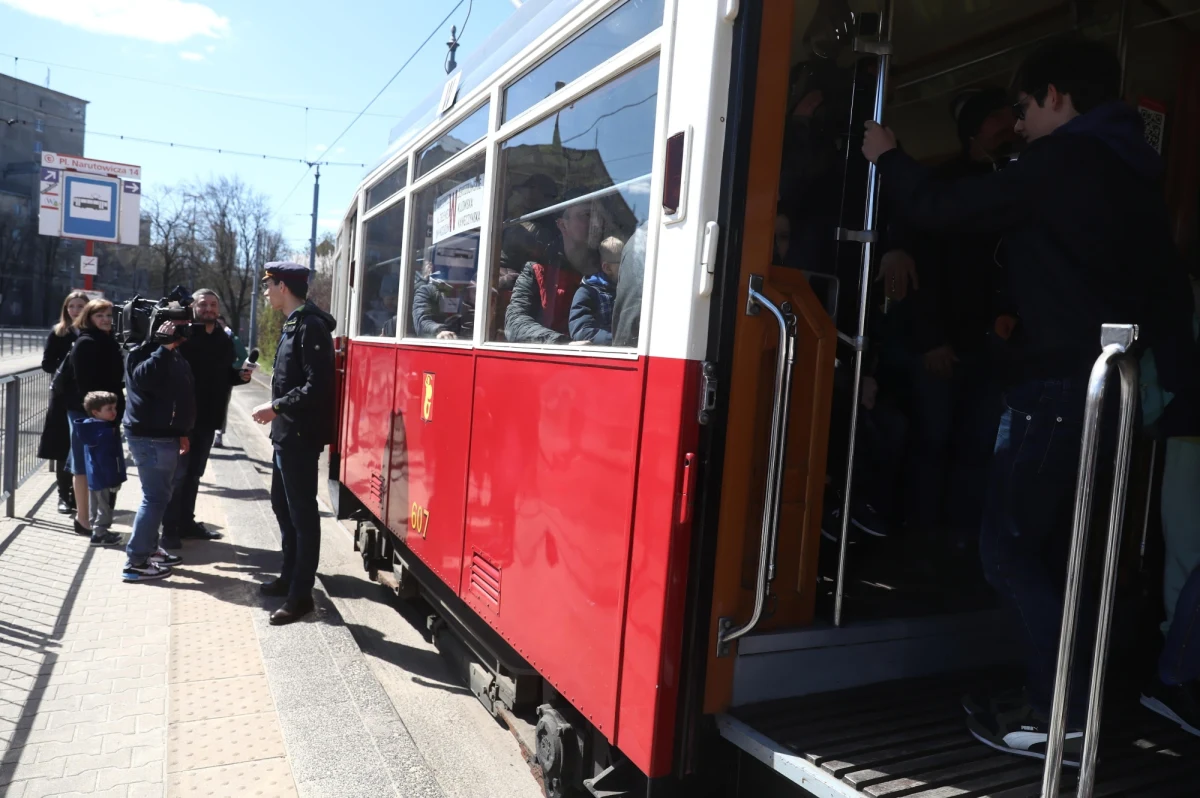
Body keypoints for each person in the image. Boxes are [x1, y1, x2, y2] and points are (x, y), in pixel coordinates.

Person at [863, 36, 1200, 763]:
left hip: (1055, 391)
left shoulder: (1065, 161)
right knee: (1060, 556)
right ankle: (1062, 703)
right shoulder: (1134, 169)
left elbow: (948, 207)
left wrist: (888, 155)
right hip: (1111, 390)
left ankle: (1061, 716)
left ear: (1055, 97)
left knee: (1009, 552)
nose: (1017, 124)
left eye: (1022, 107)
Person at [251, 262, 336, 625]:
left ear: (283, 286)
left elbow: (319, 387)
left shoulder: (310, 326)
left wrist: (276, 406)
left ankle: (301, 597)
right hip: (286, 435)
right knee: (283, 509)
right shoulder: (293, 324)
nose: (265, 291)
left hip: (299, 437)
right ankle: (289, 577)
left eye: (268, 285)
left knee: (302, 517)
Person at [160, 290, 252, 548]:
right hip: (182, 421)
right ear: (194, 307)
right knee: (177, 476)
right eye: (204, 304)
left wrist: (239, 377)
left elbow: (222, 376)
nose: (209, 309)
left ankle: (186, 523)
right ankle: (169, 530)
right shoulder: (183, 337)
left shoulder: (223, 339)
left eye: (213, 304)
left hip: (209, 419)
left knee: (194, 475)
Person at [122, 320, 193, 583]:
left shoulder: (170, 352)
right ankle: (136, 562)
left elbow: (177, 394)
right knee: (154, 498)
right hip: (151, 437)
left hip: (164, 435)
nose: (182, 329)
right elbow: (143, 379)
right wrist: (163, 348)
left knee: (158, 496)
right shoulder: (142, 350)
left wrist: (181, 430)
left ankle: (149, 550)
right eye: (174, 323)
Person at [65, 299, 126, 537]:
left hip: (106, 413)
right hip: (87, 414)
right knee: (82, 466)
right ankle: (83, 520)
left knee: (101, 467)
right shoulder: (86, 343)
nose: (106, 320)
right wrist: (101, 413)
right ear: (89, 318)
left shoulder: (109, 341)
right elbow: (85, 386)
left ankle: (97, 521)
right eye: (100, 315)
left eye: (109, 316)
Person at [504, 198, 601, 344]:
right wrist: (561, 344)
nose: (596, 223)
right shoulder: (537, 271)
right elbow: (515, 323)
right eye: (587, 215)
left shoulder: (610, 269)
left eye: (599, 216)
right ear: (562, 224)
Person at [37, 291, 88, 515]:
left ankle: (81, 497)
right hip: (63, 399)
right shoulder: (58, 333)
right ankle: (63, 496)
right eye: (71, 306)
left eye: (80, 306)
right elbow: (47, 364)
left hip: (88, 399)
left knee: (84, 448)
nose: (75, 310)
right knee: (63, 448)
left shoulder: (93, 332)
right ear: (66, 309)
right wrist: (69, 364)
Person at [76, 391, 125, 547]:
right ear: (96, 412)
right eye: (109, 409)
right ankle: (99, 534)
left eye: (114, 408)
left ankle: (99, 531)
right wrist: (113, 477)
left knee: (98, 505)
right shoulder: (102, 431)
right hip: (104, 476)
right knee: (105, 506)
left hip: (98, 476)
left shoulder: (95, 427)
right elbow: (107, 457)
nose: (114, 412)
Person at [569, 235, 623, 345]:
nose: (628, 268)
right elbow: (581, 330)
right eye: (623, 264)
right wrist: (617, 341)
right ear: (607, 268)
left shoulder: (625, 287)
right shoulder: (587, 292)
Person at [214, 314, 248, 448]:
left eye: (221, 324)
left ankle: (218, 435)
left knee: (221, 407)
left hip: (225, 379)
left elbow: (243, 358)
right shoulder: (208, 338)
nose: (218, 327)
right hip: (208, 379)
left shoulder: (233, 339)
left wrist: (231, 367)